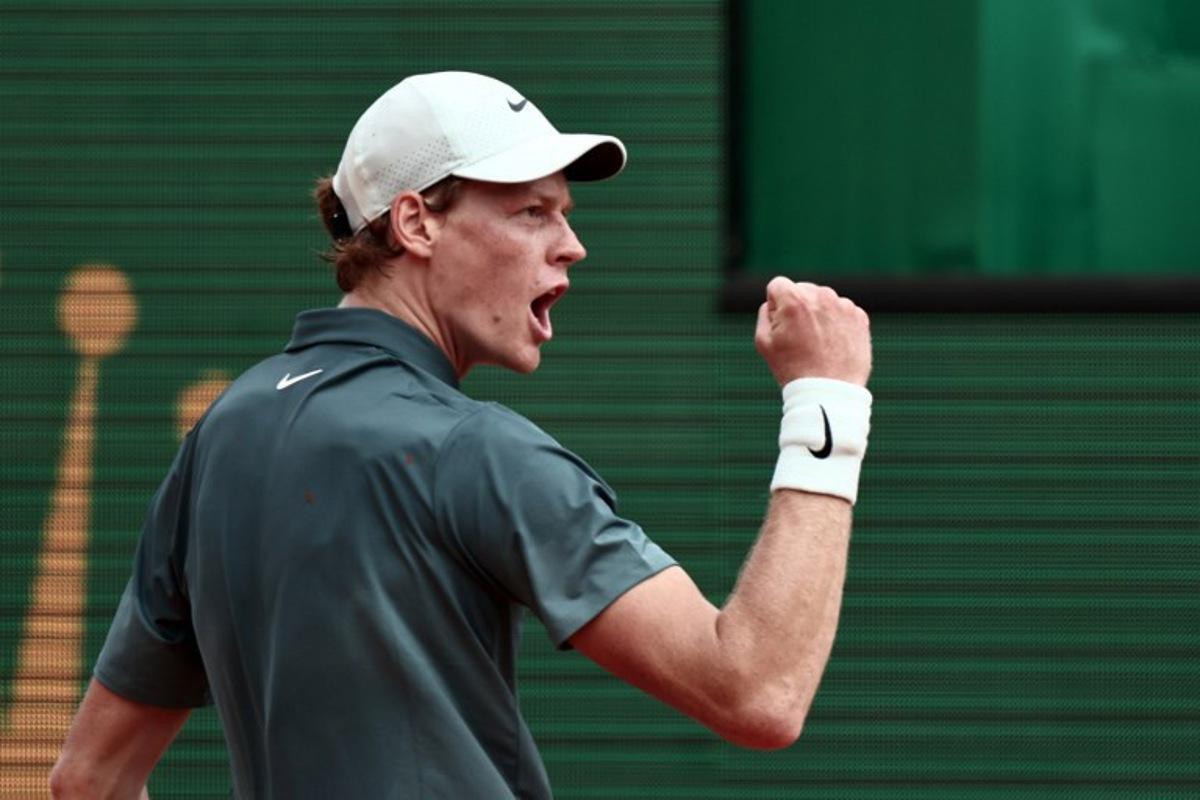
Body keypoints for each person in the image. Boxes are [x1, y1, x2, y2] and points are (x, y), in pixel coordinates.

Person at [50, 71, 873, 799]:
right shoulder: (475, 453)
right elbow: (759, 692)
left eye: (565, 214)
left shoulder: (222, 433)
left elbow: (89, 779)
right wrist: (825, 400)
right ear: (416, 224)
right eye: (532, 211)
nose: (572, 245)